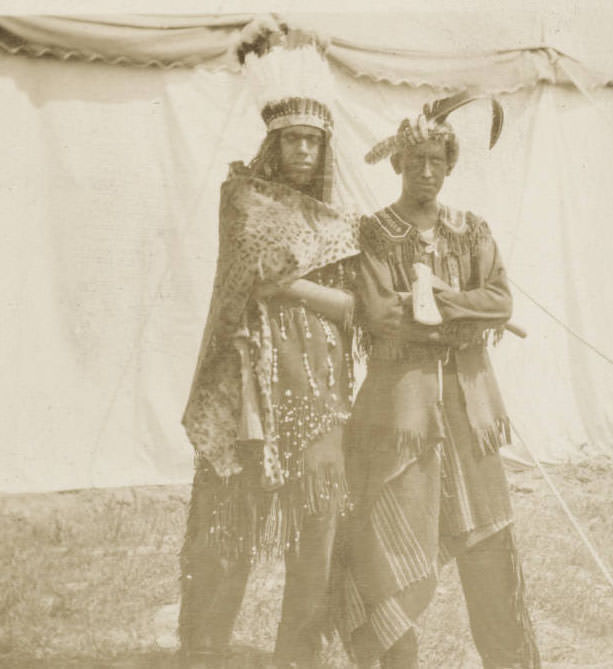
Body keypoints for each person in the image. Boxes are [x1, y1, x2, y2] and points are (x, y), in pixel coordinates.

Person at [179, 21, 358, 669]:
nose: (303, 152)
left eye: (313, 142)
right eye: (292, 142)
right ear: (273, 146)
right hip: (244, 392)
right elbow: (253, 269)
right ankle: (202, 647)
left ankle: (298, 652)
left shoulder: (340, 227)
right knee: (228, 524)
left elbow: (354, 307)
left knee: (315, 531)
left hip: (316, 391)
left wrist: (304, 291)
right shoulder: (243, 198)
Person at [338, 102, 541, 668]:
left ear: (449, 166)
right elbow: (380, 315)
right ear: (398, 163)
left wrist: (437, 304)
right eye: (416, 161)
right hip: (400, 417)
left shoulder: (471, 228)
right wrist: (459, 318)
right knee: (386, 544)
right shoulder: (375, 232)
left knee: (488, 544)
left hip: (470, 413)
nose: (426, 171)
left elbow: (500, 301)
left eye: (436, 160)